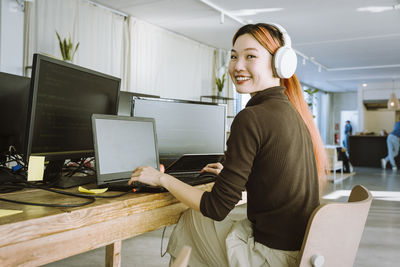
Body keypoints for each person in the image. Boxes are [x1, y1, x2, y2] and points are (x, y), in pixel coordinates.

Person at [129, 23, 327, 267]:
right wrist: (235, 174)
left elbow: (216, 208)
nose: (238, 66)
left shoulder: (251, 117)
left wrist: (162, 179)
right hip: (299, 253)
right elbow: (276, 175)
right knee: (194, 221)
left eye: (250, 56)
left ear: (278, 65)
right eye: (234, 56)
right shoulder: (292, 112)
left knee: (192, 221)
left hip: (270, 257)